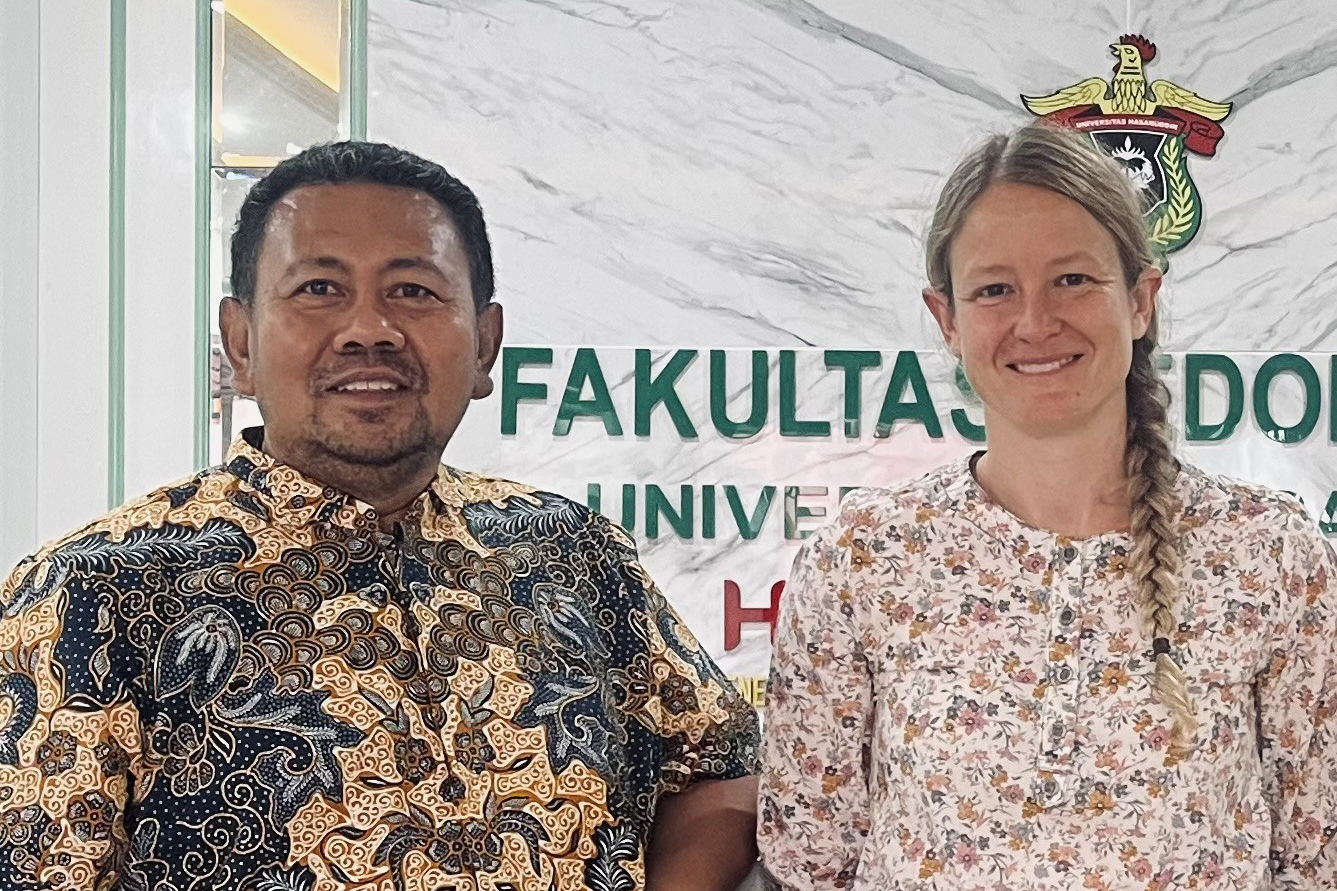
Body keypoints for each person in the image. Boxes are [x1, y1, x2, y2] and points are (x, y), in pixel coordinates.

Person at [0, 141, 760, 891]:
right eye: (319, 289)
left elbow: (718, 772)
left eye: (414, 291)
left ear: (487, 343)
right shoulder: (92, 591)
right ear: (240, 344)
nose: (370, 328)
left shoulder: (569, 550)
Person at [757, 123, 1337, 889]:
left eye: (1072, 279)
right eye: (995, 289)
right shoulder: (863, 557)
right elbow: (808, 856)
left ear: (1139, 299)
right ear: (947, 321)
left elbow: (1315, 849)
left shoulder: (1270, 552)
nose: (1034, 321)